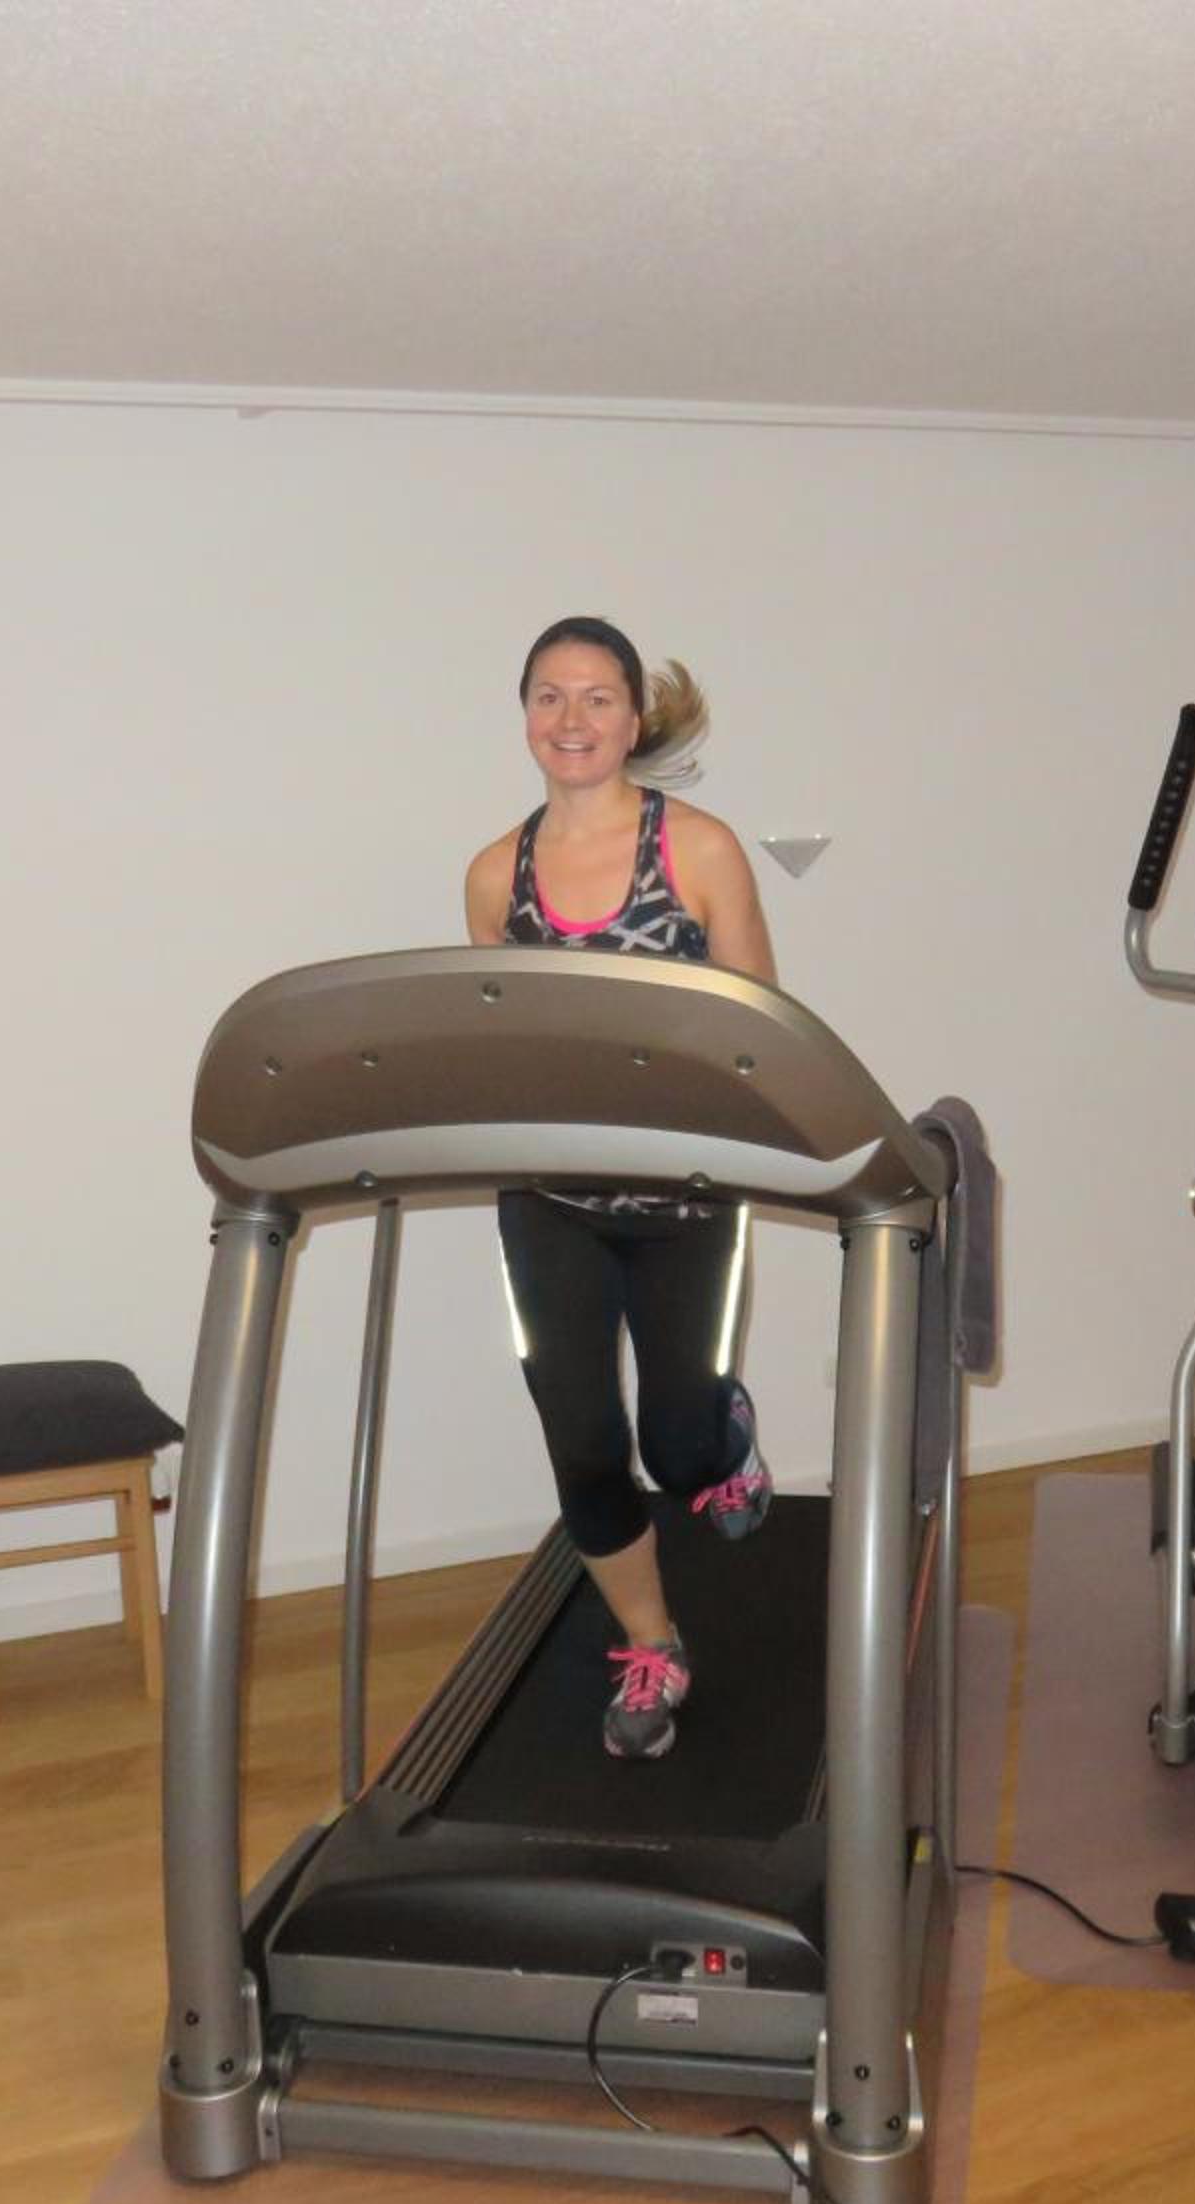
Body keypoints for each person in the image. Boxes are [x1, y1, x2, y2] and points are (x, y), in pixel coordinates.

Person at [464, 616, 778, 1760]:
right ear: (525, 716)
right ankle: (653, 1645)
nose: (572, 718)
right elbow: (506, 1040)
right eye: (549, 696)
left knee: (676, 1447)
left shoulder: (699, 850)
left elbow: (760, 1027)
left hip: (686, 1198)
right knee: (585, 1442)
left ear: (634, 718)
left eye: (596, 697)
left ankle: (722, 1442)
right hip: (550, 1200)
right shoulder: (494, 876)